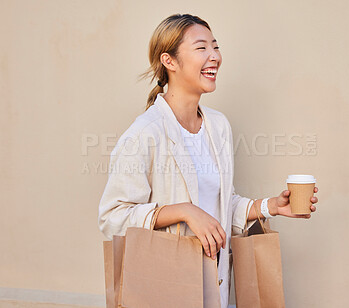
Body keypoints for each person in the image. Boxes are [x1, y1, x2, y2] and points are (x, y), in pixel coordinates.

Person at [98, 13, 319, 308]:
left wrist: (269, 206)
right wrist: (183, 211)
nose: (214, 56)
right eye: (201, 48)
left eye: (215, 46)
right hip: (166, 288)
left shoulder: (218, 126)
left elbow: (219, 203)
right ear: (170, 61)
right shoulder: (144, 133)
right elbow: (112, 218)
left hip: (216, 288)